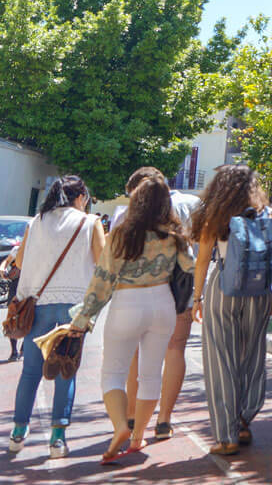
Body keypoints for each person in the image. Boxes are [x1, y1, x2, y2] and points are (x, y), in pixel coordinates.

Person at [68, 173, 195, 463]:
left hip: (127, 302)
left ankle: (120, 426)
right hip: (162, 303)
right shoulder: (175, 236)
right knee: (151, 374)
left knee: (113, 373)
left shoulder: (121, 234)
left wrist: (84, 318)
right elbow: (188, 267)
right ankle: (138, 437)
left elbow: (103, 280)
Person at [8, 175, 104, 458]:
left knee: (30, 371)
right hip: (74, 308)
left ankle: (18, 432)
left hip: (37, 304)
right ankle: (57, 439)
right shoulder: (90, 222)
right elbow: (103, 262)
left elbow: (20, 261)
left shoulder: (36, 222)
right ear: (80, 197)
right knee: (66, 369)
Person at [190, 164, 272, 456]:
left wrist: (197, 299)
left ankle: (226, 436)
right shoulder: (269, 215)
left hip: (223, 290)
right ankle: (244, 419)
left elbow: (202, 262)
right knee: (252, 356)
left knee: (221, 360)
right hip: (260, 292)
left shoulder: (217, 216)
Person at [118, 166, 202, 440]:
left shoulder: (127, 213)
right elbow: (200, 249)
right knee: (175, 349)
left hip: (139, 292)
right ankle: (164, 420)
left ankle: (132, 417)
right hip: (179, 290)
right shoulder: (190, 204)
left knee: (136, 353)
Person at [2, 252, 22, 361]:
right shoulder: (18, 249)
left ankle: (23, 349)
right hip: (16, 286)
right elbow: (6, 261)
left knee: (32, 318)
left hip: (30, 287)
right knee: (12, 320)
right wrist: (2, 270)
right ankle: (14, 351)